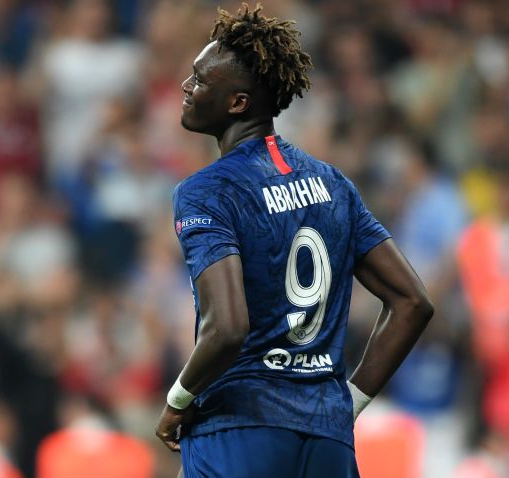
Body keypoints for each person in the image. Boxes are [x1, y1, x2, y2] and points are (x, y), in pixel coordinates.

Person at [154, 4, 433, 477]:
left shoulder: (208, 192)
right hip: (327, 439)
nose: (187, 87)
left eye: (200, 80)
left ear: (237, 103)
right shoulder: (334, 184)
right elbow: (412, 302)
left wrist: (177, 400)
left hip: (239, 427)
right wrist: (349, 402)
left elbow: (227, 329)